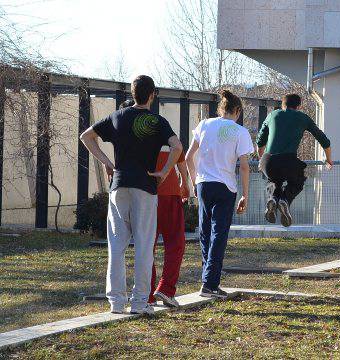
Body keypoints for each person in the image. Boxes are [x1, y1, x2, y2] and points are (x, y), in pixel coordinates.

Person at [80, 75, 183, 315]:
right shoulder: (157, 121)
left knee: (116, 246)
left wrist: (107, 162)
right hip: (145, 187)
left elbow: (86, 136)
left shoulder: (117, 116)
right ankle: (138, 303)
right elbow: (177, 147)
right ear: (152, 95)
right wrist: (165, 172)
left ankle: (116, 302)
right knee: (144, 246)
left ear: (132, 93)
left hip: (119, 186)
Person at [117, 99, 189, 308]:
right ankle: (166, 289)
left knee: (145, 245)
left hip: (143, 195)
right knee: (175, 243)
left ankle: (146, 293)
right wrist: (185, 183)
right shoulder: (158, 125)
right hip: (168, 193)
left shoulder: (124, 135)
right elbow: (180, 157)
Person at [185, 90, 253, 299]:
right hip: (225, 186)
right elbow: (243, 166)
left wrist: (194, 181)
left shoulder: (204, 124)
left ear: (220, 109)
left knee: (205, 232)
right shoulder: (240, 131)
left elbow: (188, 157)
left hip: (204, 183)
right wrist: (245, 194)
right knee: (218, 234)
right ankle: (210, 284)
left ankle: (208, 281)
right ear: (238, 110)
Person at [256, 94, 333, 227]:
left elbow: (259, 143)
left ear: (282, 105)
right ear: (298, 106)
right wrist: (328, 159)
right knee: (298, 182)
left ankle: (273, 198)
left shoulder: (272, 115)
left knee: (273, 180)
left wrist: (261, 161)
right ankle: (285, 200)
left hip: (268, 161)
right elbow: (324, 141)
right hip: (289, 161)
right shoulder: (303, 117)